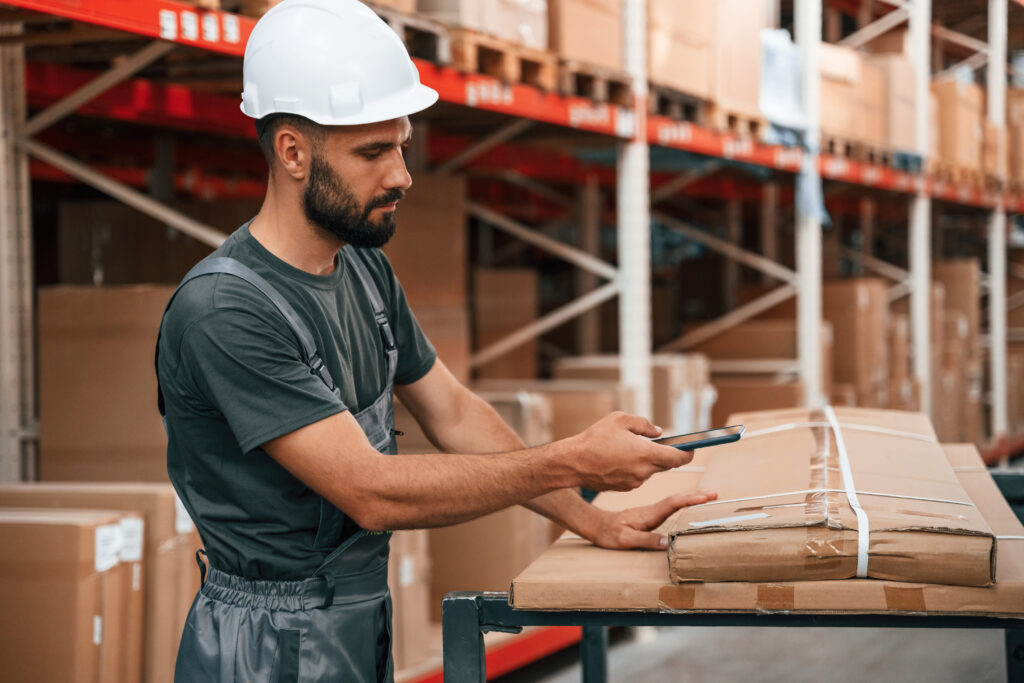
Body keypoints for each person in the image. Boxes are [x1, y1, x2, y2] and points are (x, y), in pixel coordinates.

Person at [156, 1, 714, 680]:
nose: (401, 175)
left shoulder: (362, 266)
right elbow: (370, 490)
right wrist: (571, 459)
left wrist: (589, 518)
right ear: (293, 151)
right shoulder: (226, 310)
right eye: (372, 152)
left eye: (401, 145)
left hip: (358, 617)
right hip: (264, 642)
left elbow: (452, 412)